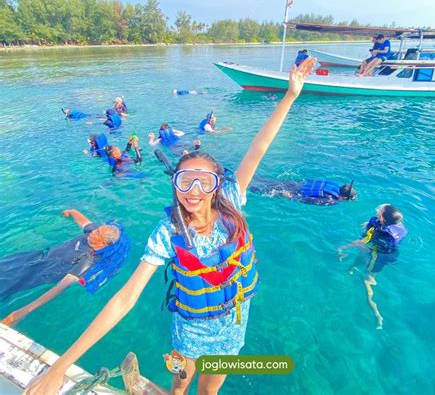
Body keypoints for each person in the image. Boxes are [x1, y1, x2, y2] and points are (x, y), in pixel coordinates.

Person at [24, 58, 316, 395]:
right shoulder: (169, 232)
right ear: (174, 185)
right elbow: (124, 299)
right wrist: (59, 368)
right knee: (179, 384)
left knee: (209, 392)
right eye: (184, 182)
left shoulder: (232, 201)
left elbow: (259, 146)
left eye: (203, 182)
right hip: (187, 333)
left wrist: (291, 95)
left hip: (232, 327)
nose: (194, 192)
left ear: (217, 185)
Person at [0, 209, 130, 326]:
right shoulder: (93, 232)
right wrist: (72, 212)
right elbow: (84, 222)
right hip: (36, 257)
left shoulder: (87, 261)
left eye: (97, 233)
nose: (92, 231)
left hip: (39, 274)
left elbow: (60, 287)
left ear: (103, 244)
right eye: (96, 229)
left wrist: (23, 312)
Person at [337, 204, 407, 329]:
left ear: (383, 219)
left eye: (380, 211)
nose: (378, 210)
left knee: (367, 280)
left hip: (379, 256)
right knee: (363, 255)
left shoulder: (381, 232)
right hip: (390, 253)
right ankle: (353, 268)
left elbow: (363, 241)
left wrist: (342, 248)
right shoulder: (396, 225)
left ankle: (376, 313)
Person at [249, 177, 356, 205]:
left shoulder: (335, 185)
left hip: (299, 184)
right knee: (264, 190)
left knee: (269, 181)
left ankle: (251, 178)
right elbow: (309, 200)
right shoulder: (332, 200)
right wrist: (291, 197)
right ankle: (249, 186)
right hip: (297, 192)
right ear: (345, 197)